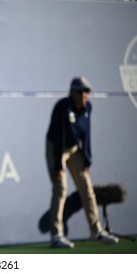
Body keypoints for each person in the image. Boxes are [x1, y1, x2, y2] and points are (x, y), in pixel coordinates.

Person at [45, 76, 119, 248]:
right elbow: (58, 137)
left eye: (87, 91)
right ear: (72, 93)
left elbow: (86, 134)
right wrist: (58, 165)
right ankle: (56, 235)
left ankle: (96, 230)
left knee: (86, 187)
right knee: (60, 188)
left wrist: (87, 159)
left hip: (75, 149)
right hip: (57, 148)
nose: (84, 95)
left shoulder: (88, 108)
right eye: (79, 91)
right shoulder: (62, 107)